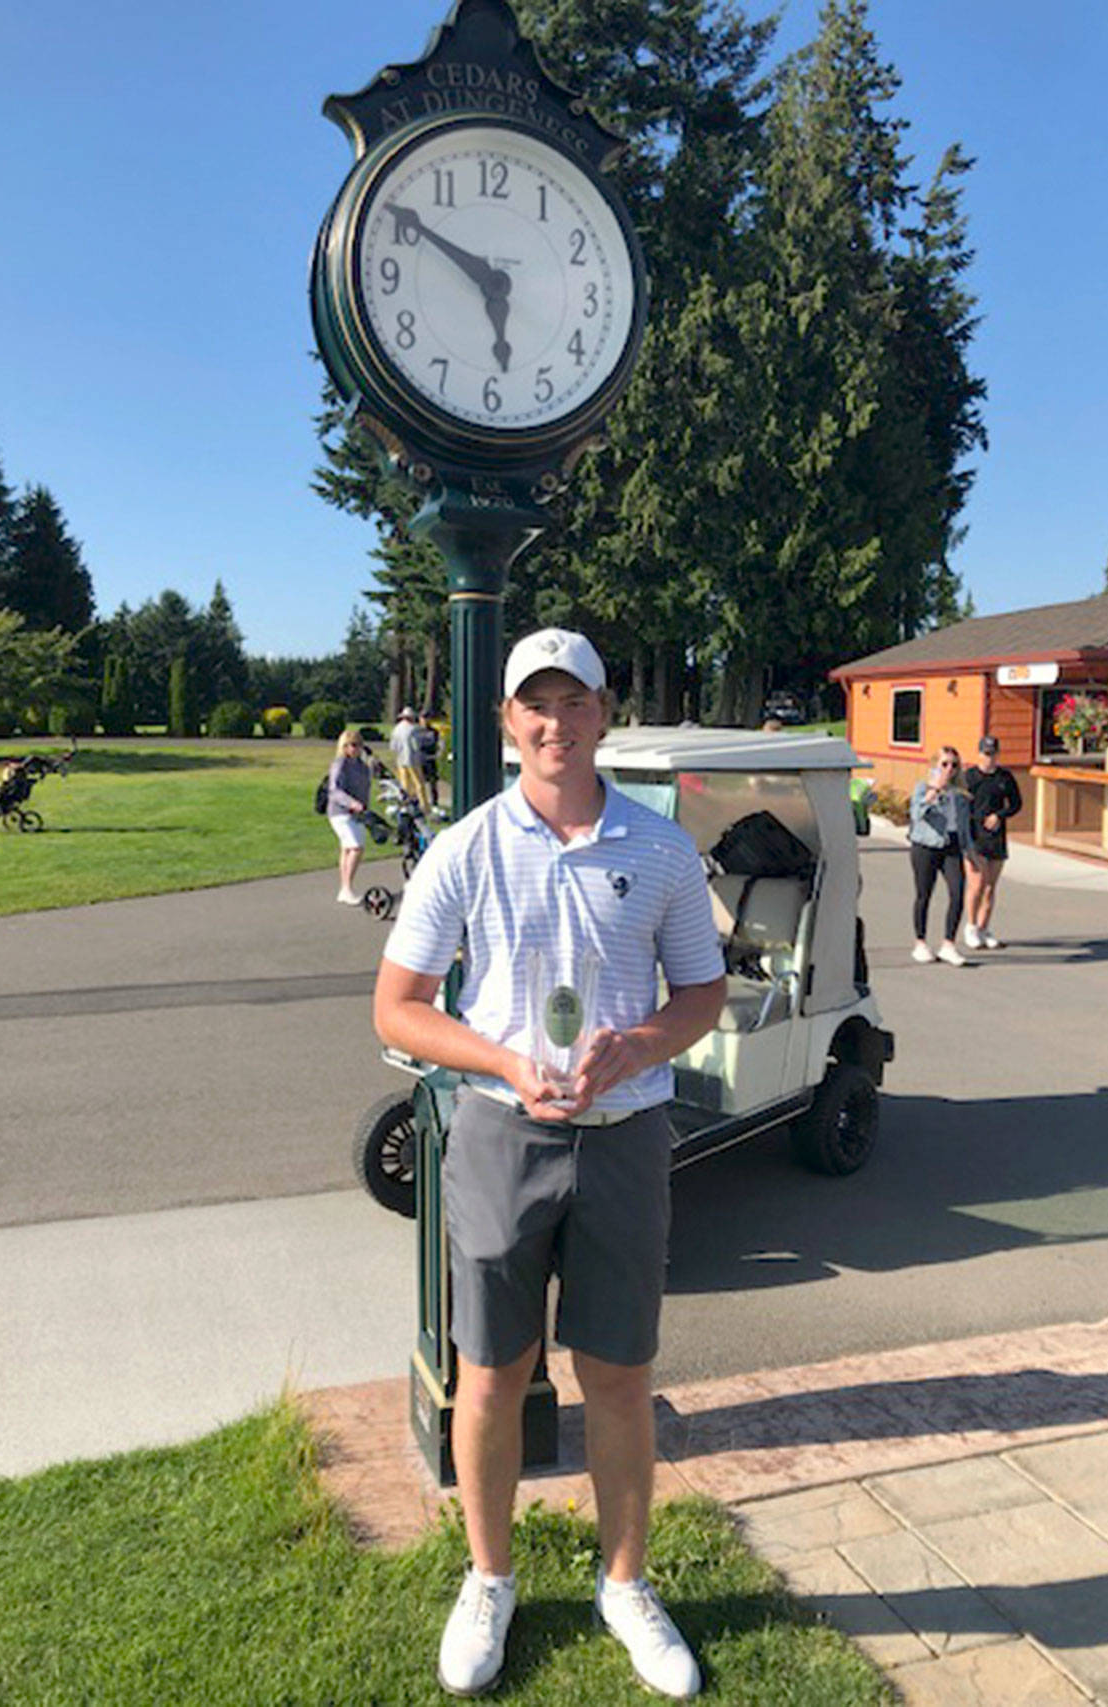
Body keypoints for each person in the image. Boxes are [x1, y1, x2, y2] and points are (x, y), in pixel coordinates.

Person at [373, 628, 726, 1699]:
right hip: (498, 1131)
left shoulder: (660, 849)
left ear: (604, 716)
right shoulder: (465, 849)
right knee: (492, 1373)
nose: (554, 724)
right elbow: (396, 1008)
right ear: (506, 719)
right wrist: (497, 1060)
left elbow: (700, 997)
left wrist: (642, 1044)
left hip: (624, 1136)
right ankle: (489, 1578)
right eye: (536, 704)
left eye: (574, 704)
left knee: (617, 1374)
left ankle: (624, 1584)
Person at [908, 745, 970, 966]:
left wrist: (969, 850)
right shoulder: (922, 787)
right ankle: (920, 942)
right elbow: (916, 814)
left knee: (958, 891)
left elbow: (964, 825)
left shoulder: (960, 793)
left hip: (951, 846)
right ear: (935, 765)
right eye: (944, 764)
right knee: (924, 893)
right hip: (925, 844)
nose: (949, 769)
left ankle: (949, 944)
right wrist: (933, 792)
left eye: (954, 765)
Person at [963, 734, 1022, 949]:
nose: (990, 758)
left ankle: (983, 928)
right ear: (979, 754)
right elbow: (961, 804)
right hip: (974, 836)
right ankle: (970, 926)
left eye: (993, 754)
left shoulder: (1004, 777)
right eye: (986, 754)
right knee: (977, 884)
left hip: (996, 836)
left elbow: (1016, 804)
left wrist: (1000, 815)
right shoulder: (969, 777)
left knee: (990, 887)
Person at [326, 727, 372, 905]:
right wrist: (351, 803)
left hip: (357, 813)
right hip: (340, 812)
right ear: (344, 746)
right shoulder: (340, 764)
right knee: (356, 847)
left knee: (347, 849)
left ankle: (344, 888)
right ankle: (346, 888)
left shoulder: (362, 766)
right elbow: (334, 790)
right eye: (351, 745)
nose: (355, 748)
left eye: (358, 745)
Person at [390, 704, 430, 812]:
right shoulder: (414, 729)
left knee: (405, 784)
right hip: (413, 760)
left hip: (400, 760)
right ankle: (424, 806)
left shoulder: (396, 729)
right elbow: (421, 743)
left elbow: (393, 746)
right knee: (419, 784)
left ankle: (406, 805)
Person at [414, 709, 441, 810]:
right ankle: (419, 802)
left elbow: (436, 744)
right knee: (419, 782)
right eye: (423, 718)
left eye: (427, 718)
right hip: (420, 759)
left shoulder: (433, 732)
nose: (425, 720)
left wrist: (436, 753)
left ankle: (434, 802)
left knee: (433, 782)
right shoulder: (416, 731)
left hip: (430, 759)